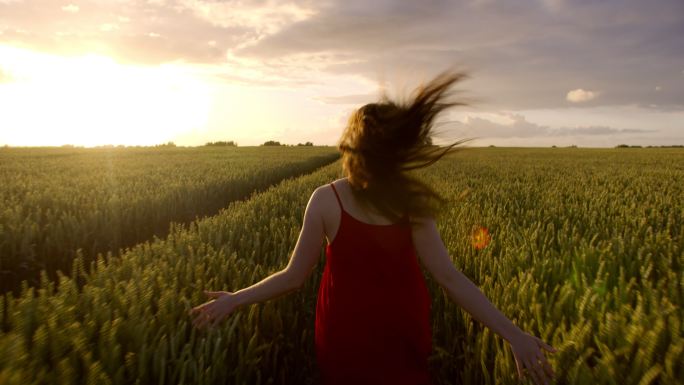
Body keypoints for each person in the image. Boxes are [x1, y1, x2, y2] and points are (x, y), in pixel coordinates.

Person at [190, 71, 557, 385]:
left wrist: (236, 299)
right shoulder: (410, 206)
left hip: (343, 337)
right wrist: (514, 335)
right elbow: (449, 277)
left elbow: (292, 277)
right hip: (403, 332)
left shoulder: (325, 200)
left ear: (352, 148)